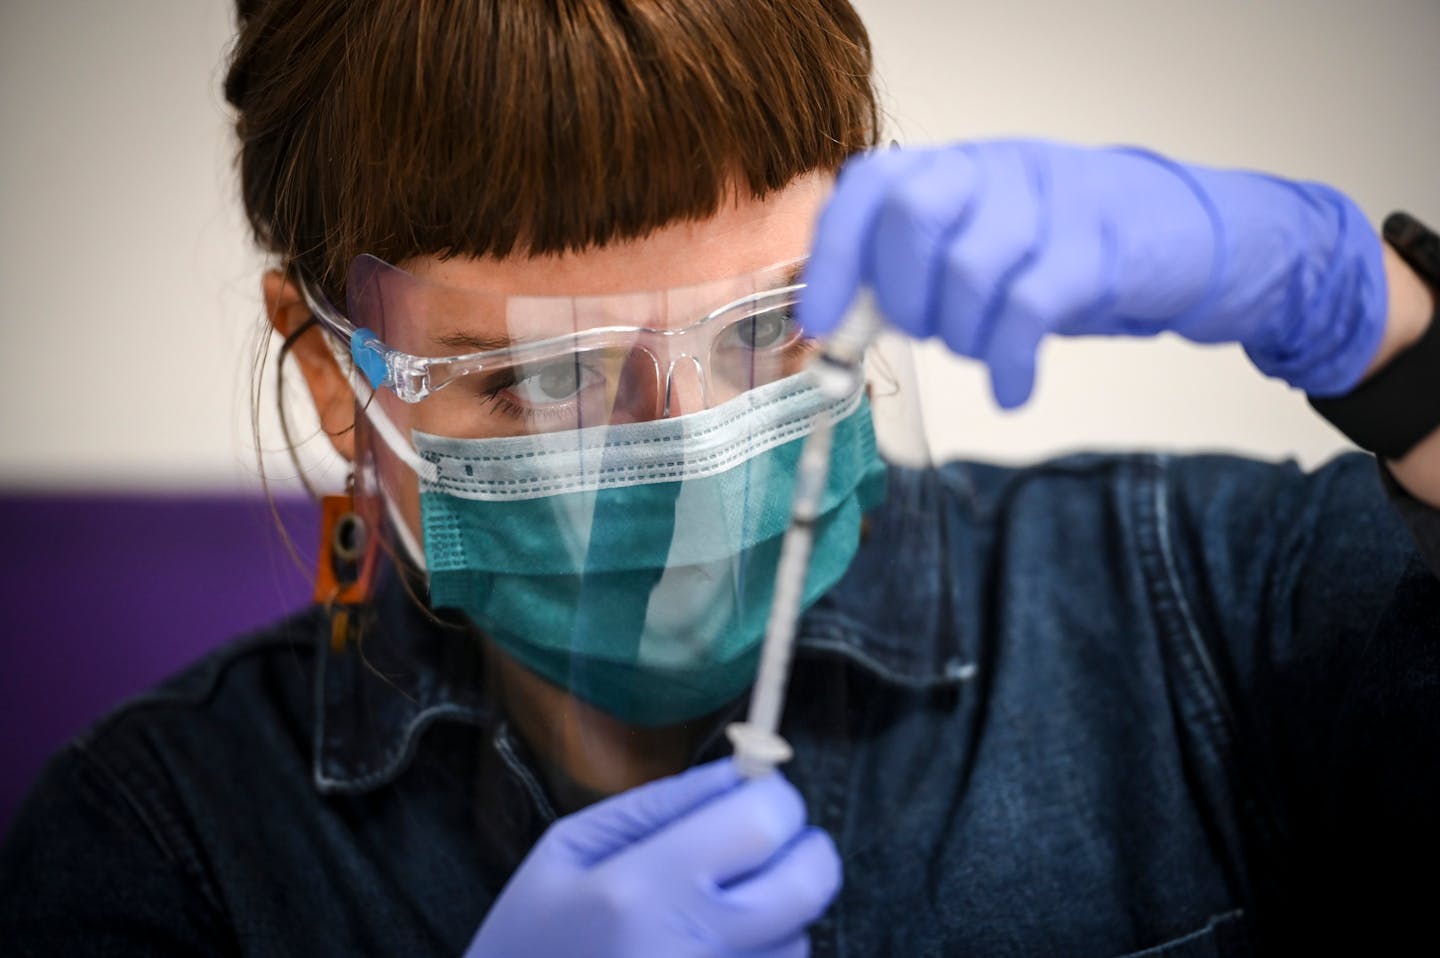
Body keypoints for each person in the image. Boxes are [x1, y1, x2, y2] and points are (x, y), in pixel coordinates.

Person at [2, 1, 1437, 955]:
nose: (691, 445)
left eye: (767, 325)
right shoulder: (163, 848)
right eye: (546, 375)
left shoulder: (1198, 605)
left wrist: (1384, 327)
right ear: (333, 375)